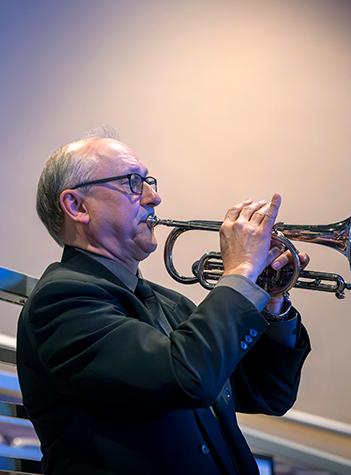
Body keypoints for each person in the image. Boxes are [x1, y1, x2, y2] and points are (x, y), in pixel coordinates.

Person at [17, 130, 311, 475]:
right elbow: (187, 377)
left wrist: (271, 298)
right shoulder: (61, 301)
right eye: (132, 182)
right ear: (77, 206)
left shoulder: (171, 304)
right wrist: (242, 271)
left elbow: (268, 393)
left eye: (149, 182)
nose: (154, 197)